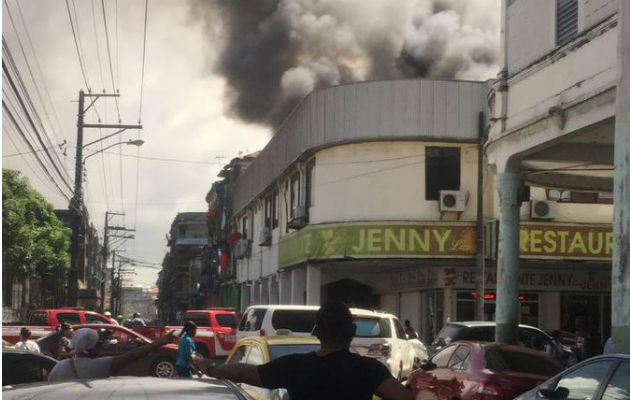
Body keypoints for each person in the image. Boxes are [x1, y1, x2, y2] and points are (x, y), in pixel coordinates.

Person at [204, 300, 412, 400]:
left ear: (317, 332)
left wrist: (211, 369)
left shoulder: (295, 366)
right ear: (352, 332)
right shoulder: (369, 370)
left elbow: (242, 371)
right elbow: (403, 397)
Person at [48, 328, 175, 381]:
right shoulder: (100, 365)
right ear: (95, 348)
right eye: (99, 344)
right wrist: (160, 342)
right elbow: (132, 356)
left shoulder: (59, 367)